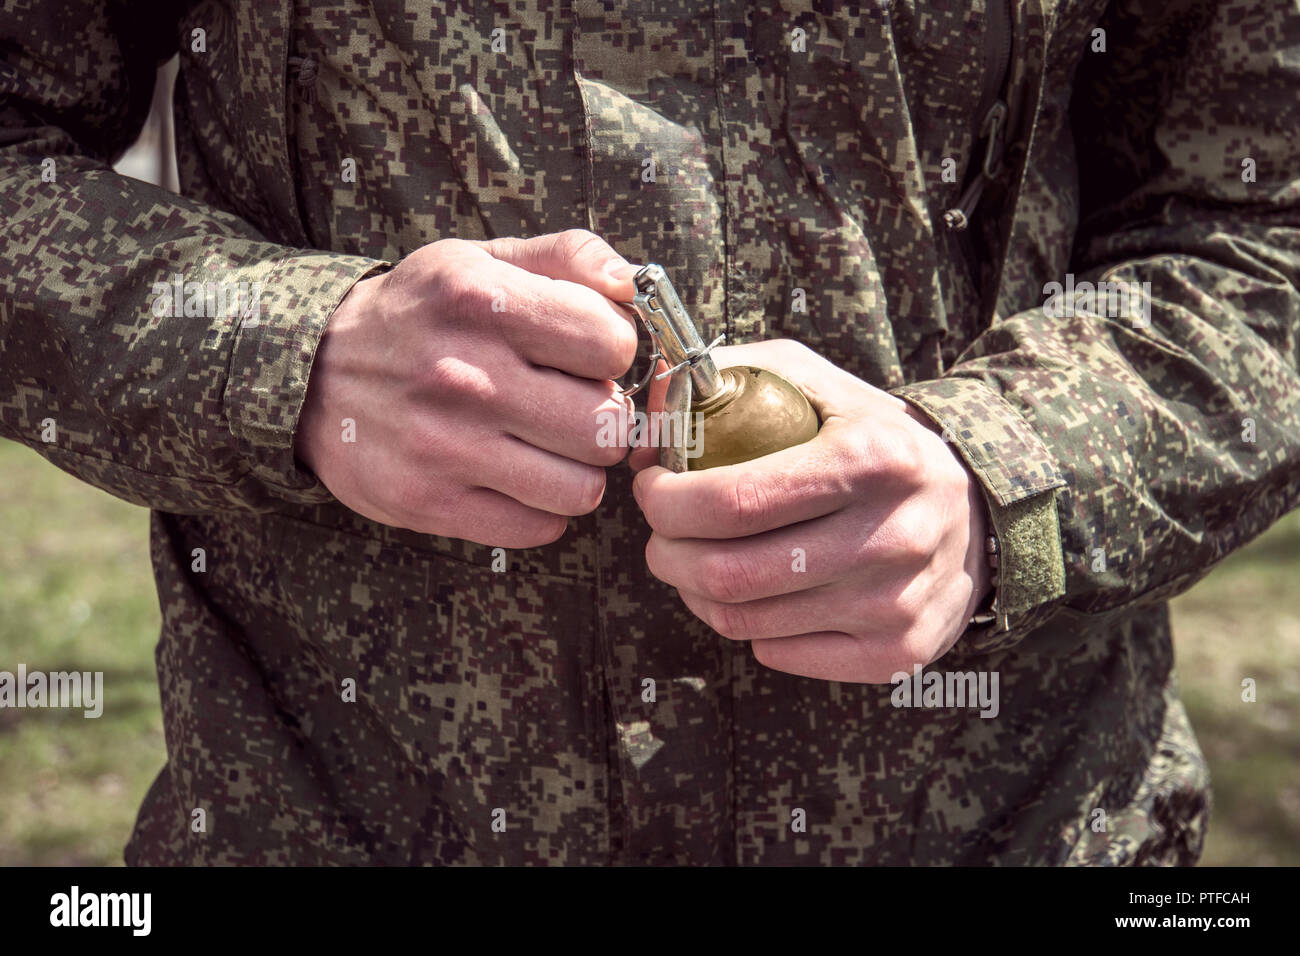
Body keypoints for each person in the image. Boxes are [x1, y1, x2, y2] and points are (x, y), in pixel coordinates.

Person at [2, 0, 1297, 865]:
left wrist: (1007, 470)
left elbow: (1263, 231)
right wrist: (280, 346)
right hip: (319, 821)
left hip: (1019, 827)